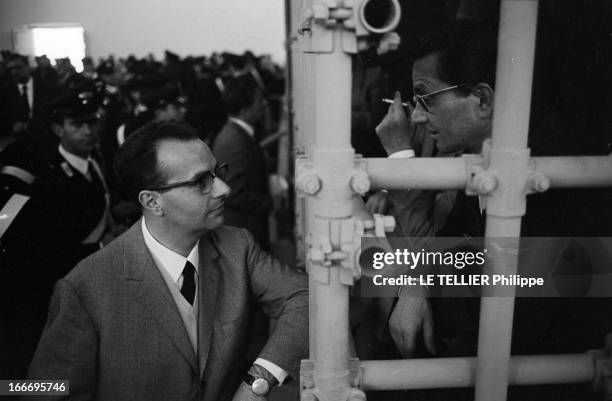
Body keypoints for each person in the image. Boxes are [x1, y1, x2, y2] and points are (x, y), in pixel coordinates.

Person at [375, 20, 612, 400]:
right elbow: (452, 246)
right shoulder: (487, 153)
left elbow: (504, 315)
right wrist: (416, 278)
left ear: (482, 100)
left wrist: (421, 281)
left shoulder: (556, 172)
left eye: (426, 98)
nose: (416, 117)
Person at [26, 121, 308, 401]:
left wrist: (258, 382)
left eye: (218, 172)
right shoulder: (84, 288)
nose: (224, 189)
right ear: (152, 202)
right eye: (202, 182)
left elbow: (305, 297)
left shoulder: (238, 245)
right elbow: (41, 389)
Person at [0, 85, 113, 379]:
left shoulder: (93, 161)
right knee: (43, 360)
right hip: (51, 284)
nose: (88, 131)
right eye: (77, 124)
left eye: (91, 123)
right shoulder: (45, 176)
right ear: (57, 128)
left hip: (83, 277)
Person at [213, 73, 272, 250]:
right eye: (259, 100)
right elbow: (234, 193)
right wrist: (271, 201)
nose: (264, 104)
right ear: (244, 109)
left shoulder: (238, 134)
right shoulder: (233, 141)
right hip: (244, 231)